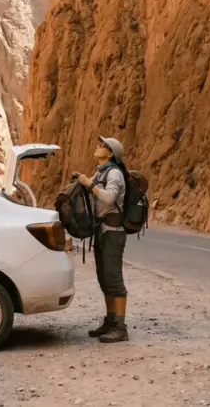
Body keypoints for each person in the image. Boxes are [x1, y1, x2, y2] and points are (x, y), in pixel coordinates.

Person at [73, 136, 129, 343]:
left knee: (114, 279)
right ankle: (111, 321)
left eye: (103, 146)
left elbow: (109, 198)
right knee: (104, 278)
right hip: (102, 231)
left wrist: (90, 184)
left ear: (111, 154)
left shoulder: (114, 173)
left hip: (113, 232)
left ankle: (121, 327)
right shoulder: (101, 172)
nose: (98, 146)